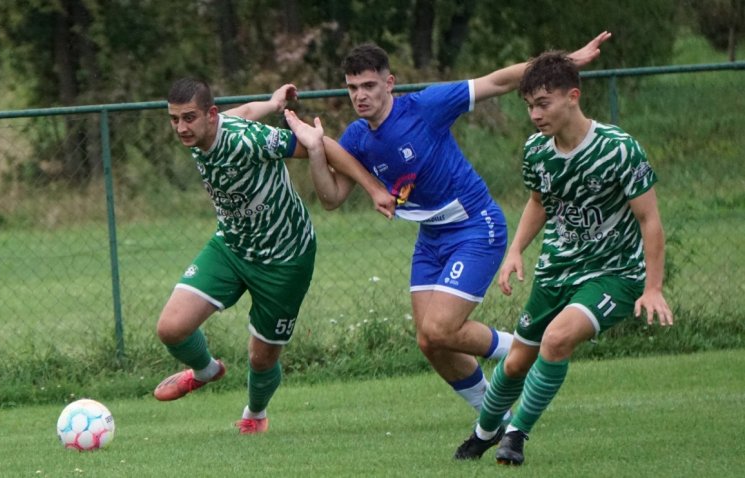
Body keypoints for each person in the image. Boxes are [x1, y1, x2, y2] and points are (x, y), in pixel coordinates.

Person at [282, 31, 613, 458]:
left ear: (389, 83)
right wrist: (314, 149)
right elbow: (330, 199)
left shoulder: (426, 106)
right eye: (352, 88)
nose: (360, 96)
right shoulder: (358, 139)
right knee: (429, 341)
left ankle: (524, 347)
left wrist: (567, 59)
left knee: (440, 328)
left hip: (477, 226)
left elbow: (497, 81)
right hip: (433, 237)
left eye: (368, 85)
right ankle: (494, 420)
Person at [459, 51, 674, 466]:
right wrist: (515, 251)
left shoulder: (618, 149)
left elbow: (649, 220)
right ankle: (485, 432)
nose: (535, 115)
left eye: (543, 103)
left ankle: (516, 436)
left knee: (557, 340)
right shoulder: (537, 151)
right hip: (557, 269)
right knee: (518, 360)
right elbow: (539, 202)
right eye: (528, 106)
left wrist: (653, 287)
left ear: (572, 96)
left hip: (614, 273)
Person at [154, 78, 394, 434]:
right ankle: (207, 371)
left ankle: (255, 414)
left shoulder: (245, 139)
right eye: (174, 119)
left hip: (285, 257)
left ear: (211, 115)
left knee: (261, 357)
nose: (181, 128)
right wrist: (271, 102)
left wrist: (374, 189)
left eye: (188, 118)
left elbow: (321, 144)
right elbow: (246, 112)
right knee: (171, 328)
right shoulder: (201, 132)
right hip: (232, 246)